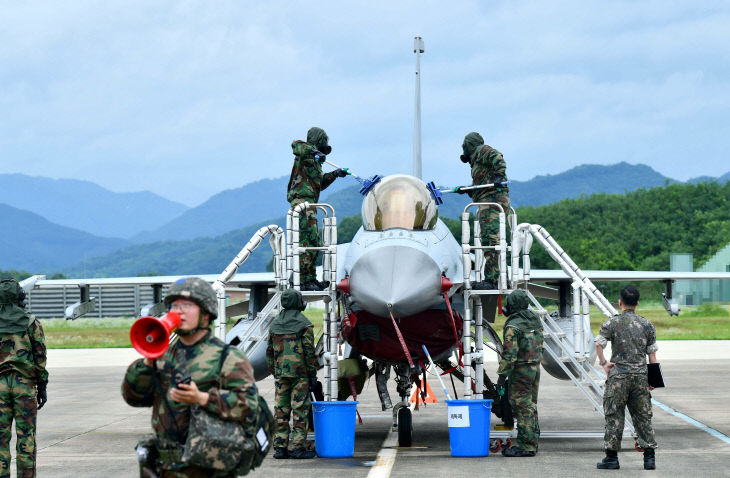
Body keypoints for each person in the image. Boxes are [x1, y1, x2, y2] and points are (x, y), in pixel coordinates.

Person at [122, 277, 260, 477]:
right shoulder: (163, 356)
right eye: (173, 305)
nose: (178, 311)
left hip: (208, 467)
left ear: (206, 313)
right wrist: (147, 363)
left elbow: (249, 405)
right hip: (165, 467)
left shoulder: (227, 357)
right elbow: (133, 398)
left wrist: (202, 398)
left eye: (186, 305)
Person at [595, 285, 658, 470]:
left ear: (620, 302)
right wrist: (653, 379)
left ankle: (612, 458)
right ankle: (649, 458)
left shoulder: (612, 323)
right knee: (643, 417)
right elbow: (652, 356)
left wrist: (604, 363)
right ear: (637, 303)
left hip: (619, 377)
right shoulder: (647, 325)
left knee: (614, 416)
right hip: (640, 377)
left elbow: (599, 344)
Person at [288, 127, 348, 291]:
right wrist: (314, 150)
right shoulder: (303, 152)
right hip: (301, 202)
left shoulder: (315, 162)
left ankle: (310, 278)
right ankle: (302, 279)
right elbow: (296, 145)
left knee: (313, 241)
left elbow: (319, 184)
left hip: (310, 203)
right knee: (305, 240)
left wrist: (335, 174)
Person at [0, 278, 48, 478]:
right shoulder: (31, 322)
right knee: (26, 439)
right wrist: (42, 385)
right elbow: (40, 356)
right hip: (25, 387)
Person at [266, 288, 318, 459]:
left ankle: (280, 448)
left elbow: (269, 352)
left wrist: (276, 371)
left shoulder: (274, 324)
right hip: (300, 374)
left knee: (280, 410)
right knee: (300, 410)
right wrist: (312, 374)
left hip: (281, 373)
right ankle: (298, 448)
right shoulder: (304, 324)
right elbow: (309, 352)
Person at [457, 132, 510, 290]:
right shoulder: (477, 161)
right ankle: (499, 276)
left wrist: (499, 177)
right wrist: (467, 190)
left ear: (470, 144)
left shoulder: (483, 151)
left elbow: (497, 157)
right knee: (490, 240)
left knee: (491, 240)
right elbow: (483, 186)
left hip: (493, 202)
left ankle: (493, 280)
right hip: (487, 201)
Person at [496, 289, 543, 457]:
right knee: (530, 406)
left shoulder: (513, 326)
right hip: (535, 369)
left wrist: (501, 377)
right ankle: (532, 441)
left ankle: (526, 446)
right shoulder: (534, 319)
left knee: (522, 407)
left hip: (521, 370)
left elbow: (510, 354)